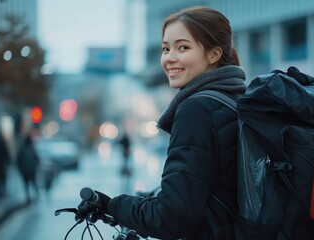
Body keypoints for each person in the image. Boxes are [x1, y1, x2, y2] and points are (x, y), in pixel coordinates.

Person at [79, 6, 246, 239]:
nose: (169, 58)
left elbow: (172, 218)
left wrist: (112, 205)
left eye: (183, 47)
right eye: (166, 49)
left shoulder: (196, 110)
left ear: (213, 54)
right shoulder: (236, 98)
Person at [16, 130, 40, 203]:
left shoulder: (23, 149)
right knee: (33, 182)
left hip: (26, 169)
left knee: (27, 184)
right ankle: (35, 195)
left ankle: (29, 196)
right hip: (31, 169)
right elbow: (36, 158)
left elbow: (18, 160)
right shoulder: (31, 148)